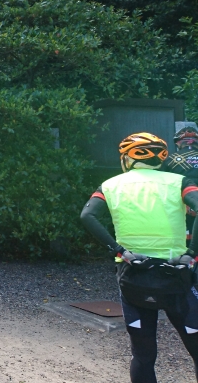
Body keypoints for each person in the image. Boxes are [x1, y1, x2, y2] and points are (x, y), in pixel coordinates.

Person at [80, 132, 198, 383]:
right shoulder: (179, 181)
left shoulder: (110, 185)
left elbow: (87, 216)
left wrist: (119, 250)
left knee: (143, 356)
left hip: (133, 273)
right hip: (177, 273)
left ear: (126, 159)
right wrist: (191, 254)